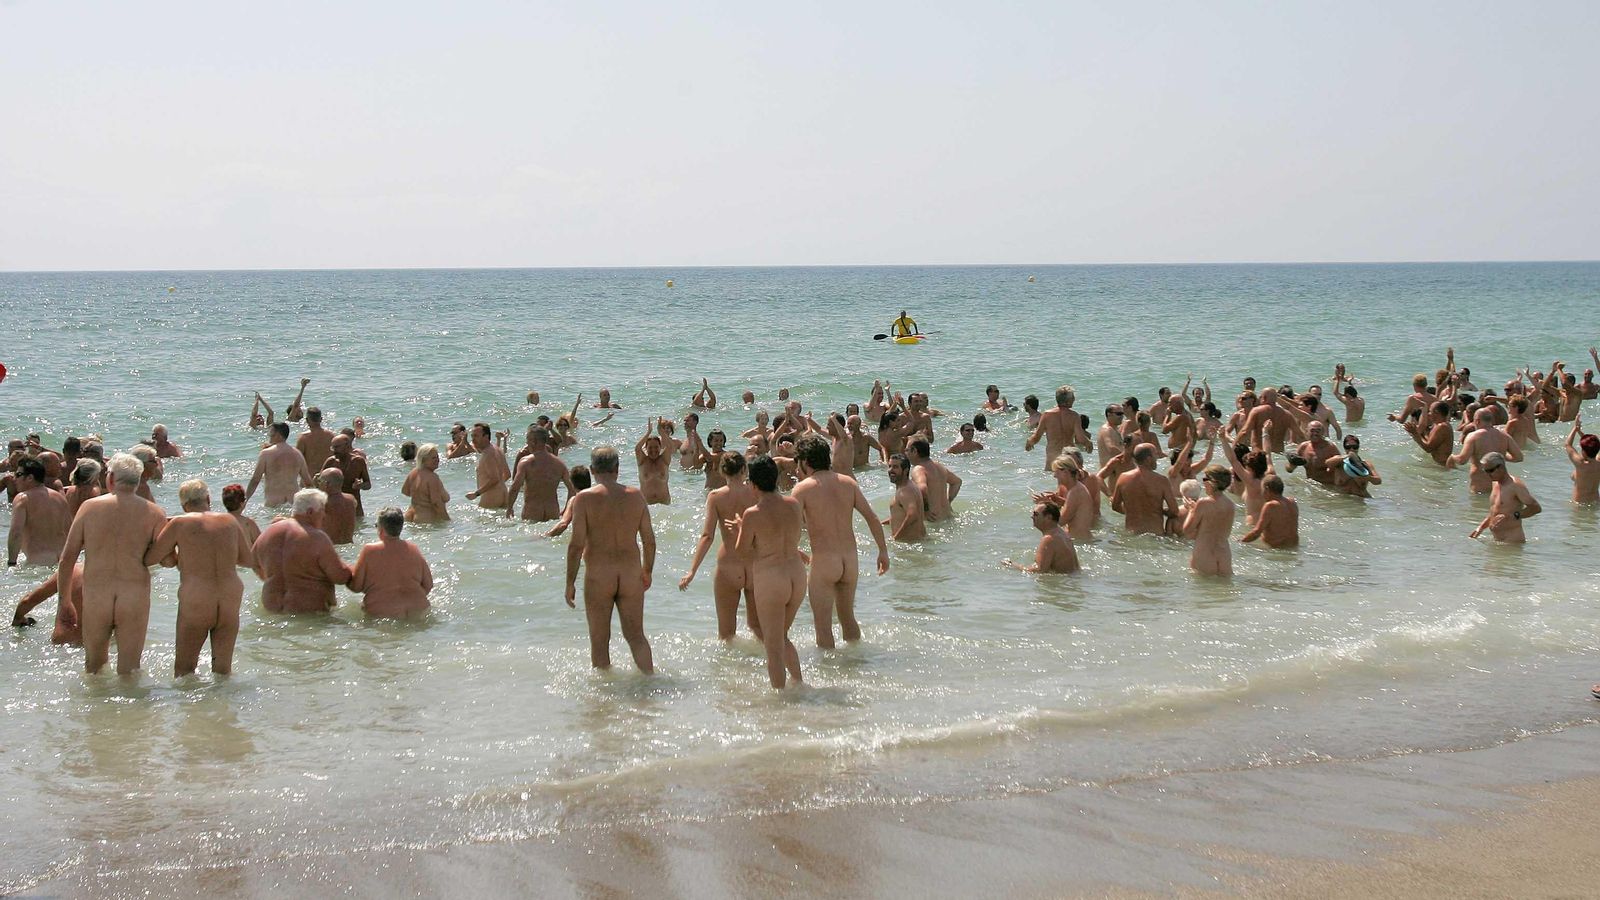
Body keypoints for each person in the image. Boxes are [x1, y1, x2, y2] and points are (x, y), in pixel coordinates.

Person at [57, 453, 167, 674]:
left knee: (94, 667)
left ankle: (95, 708)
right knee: (130, 669)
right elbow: (166, 558)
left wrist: (64, 600)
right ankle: (132, 708)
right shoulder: (155, 512)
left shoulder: (89, 508)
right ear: (139, 479)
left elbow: (67, 558)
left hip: (98, 594)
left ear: (110, 479)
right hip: (133, 594)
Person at [143, 479, 254, 676]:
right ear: (208, 499)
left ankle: (191, 707)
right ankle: (222, 706)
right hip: (230, 595)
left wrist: (177, 557)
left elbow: (151, 558)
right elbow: (247, 559)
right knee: (222, 671)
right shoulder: (230, 521)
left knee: (184, 670)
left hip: (198, 597)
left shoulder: (179, 523)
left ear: (184, 505)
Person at [791, 435, 891, 648]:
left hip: (824, 562)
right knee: (848, 619)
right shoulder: (848, 483)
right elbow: (872, 518)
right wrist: (883, 551)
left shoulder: (802, 488)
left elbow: (790, 526)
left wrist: (793, 550)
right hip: (849, 561)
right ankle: (856, 662)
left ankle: (831, 675)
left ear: (805, 461)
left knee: (823, 626)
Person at [564, 446, 655, 672]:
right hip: (630, 573)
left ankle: (605, 700)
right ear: (617, 468)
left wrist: (570, 583)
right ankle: (650, 684)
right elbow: (649, 541)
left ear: (593, 470)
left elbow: (576, 546)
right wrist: (647, 571)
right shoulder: (636, 496)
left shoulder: (583, 499)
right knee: (636, 637)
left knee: (599, 640)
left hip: (598, 575)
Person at [735, 455, 807, 688]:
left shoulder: (752, 514)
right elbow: (791, 537)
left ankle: (781, 704)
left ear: (753, 484)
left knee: (773, 647)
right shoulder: (794, 504)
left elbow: (742, 550)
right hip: (796, 575)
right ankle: (799, 684)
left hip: (772, 579)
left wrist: (740, 528)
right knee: (782, 637)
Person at [679, 453, 761, 641]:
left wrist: (692, 571)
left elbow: (707, 536)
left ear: (722, 471)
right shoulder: (756, 492)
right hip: (755, 564)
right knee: (758, 628)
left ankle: (729, 669)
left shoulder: (715, 497)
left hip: (728, 565)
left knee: (726, 635)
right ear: (744, 469)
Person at [252, 488, 352, 613]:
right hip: (308, 614)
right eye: (322, 510)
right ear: (310, 512)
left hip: (273, 610)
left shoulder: (267, 533)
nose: (324, 515)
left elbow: (254, 562)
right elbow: (340, 577)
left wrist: (273, 577)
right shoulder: (316, 538)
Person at [349, 508, 434, 619]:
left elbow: (356, 587)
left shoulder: (370, 550)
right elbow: (428, 585)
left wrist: (348, 571)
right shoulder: (414, 549)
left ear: (382, 529)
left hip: (383, 615)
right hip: (418, 610)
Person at [8, 457, 69, 567]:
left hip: (38, 564)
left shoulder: (23, 498)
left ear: (30, 478)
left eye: (18, 475)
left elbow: (16, 533)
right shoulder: (59, 498)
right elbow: (70, 531)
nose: (14, 479)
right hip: (62, 561)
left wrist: (11, 563)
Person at [1446, 407, 1523, 493]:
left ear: (1477, 421)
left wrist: (1452, 457)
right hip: (1499, 487)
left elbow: (1462, 460)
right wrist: (1502, 456)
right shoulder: (1504, 436)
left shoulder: (1473, 436)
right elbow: (1519, 457)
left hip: (1480, 486)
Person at [506, 427, 575, 521]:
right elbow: (572, 490)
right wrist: (566, 510)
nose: (527, 444)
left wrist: (509, 508)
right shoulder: (559, 463)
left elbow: (515, 488)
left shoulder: (525, 462)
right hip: (553, 513)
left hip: (532, 513)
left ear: (533, 442)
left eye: (527, 440)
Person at [1110, 444, 1181, 535]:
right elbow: (1175, 511)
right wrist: (1160, 510)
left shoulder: (1123, 478)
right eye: (1155, 455)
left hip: (1131, 535)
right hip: (1156, 536)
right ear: (1148, 459)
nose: (1157, 457)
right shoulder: (1161, 481)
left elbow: (1115, 506)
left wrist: (1132, 511)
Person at [1470, 452, 1541, 543]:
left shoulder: (1515, 485)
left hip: (1512, 542)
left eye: (1490, 471)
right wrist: (1481, 527)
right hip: (1498, 541)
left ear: (1501, 467)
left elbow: (1536, 508)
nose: (1488, 474)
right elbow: (1494, 511)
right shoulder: (1495, 483)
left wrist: (1514, 515)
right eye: (1485, 471)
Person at [10, 563, 85, 645]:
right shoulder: (100, 577)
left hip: (60, 645)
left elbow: (28, 601)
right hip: (91, 650)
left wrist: (18, 619)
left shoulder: (70, 570)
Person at [1182, 465, 1236, 576]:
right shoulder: (1231, 505)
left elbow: (1187, 530)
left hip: (1205, 555)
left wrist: (1192, 510)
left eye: (1205, 479)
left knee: (1202, 591)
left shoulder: (1203, 503)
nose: (1203, 483)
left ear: (1212, 482)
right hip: (1224, 556)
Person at [245, 422, 313, 507]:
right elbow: (308, 482)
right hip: (293, 504)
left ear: (278, 435)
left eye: (271, 433)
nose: (269, 435)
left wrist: (245, 499)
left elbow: (255, 480)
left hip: (273, 504)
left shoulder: (266, 454)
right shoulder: (297, 454)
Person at [1025, 386, 1090, 471]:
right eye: (1073, 397)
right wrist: (1089, 443)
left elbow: (1036, 437)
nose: (1074, 399)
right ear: (1067, 401)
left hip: (1053, 460)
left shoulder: (1047, 415)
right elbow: (1080, 438)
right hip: (1068, 459)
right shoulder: (1074, 416)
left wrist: (1030, 442)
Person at [1004, 503, 1080, 574]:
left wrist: (1012, 565)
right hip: (1073, 579)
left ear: (1048, 518)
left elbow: (1039, 570)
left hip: (1064, 583)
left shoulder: (1049, 539)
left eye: (1036, 514)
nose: (1032, 517)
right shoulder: (1062, 533)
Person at [907, 438, 962, 522]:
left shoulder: (919, 469)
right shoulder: (939, 466)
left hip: (933, 520)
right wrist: (948, 500)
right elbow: (957, 482)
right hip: (948, 517)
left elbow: (922, 489)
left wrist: (925, 511)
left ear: (914, 451)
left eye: (907, 450)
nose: (905, 453)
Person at [1239, 475, 1299, 548]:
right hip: (1293, 547)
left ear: (1267, 489)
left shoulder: (1271, 506)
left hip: (1276, 550)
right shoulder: (1292, 502)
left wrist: (1240, 542)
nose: (1262, 494)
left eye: (1262, 490)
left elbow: (1257, 532)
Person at [322, 434, 372, 515]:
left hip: (354, 507)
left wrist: (360, 485)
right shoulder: (330, 462)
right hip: (334, 507)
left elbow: (368, 484)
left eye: (337, 447)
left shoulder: (358, 461)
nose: (334, 450)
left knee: (358, 527)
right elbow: (319, 484)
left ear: (347, 445)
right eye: (333, 447)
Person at [401, 443, 451, 523]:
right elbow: (436, 503)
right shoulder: (432, 477)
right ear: (423, 460)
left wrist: (420, 496)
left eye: (437, 457)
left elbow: (405, 491)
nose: (437, 460)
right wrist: (448, 521)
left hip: (410, 516)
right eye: (433, 458)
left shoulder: (413, 472)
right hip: (426, 519)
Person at [465, 423, 511, 509]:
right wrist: (498, 487)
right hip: (504, 495)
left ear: (486, 436)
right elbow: (508, 474)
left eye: (476, 436)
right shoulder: (498, 449)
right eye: (472, 436)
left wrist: (476, 494)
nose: (473, 439)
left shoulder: (487, 454)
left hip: (491, 498)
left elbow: (494, 479)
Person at [883, 452, 927, 542]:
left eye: (895, 467)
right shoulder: (907, 486)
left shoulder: (905, 491)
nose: (891, 470)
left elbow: (912, 515)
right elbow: (902, 514)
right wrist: (882, 523)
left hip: (910, 545)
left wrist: (895, 538)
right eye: (890, 466)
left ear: (905, 471)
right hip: (915, 543)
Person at [544, 465, 591, 537]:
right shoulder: (600, 497)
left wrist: (544, 536)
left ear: (572, 483)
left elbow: (563, 524)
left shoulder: (575, 500)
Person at [633, 420, 671, 505]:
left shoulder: (664, 460)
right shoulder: (642, 461)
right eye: (650, 447)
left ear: (660, 447)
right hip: (646, 505)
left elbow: (670, 446)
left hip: (665, 505)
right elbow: (637, 448)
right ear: (646, 448)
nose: (653, 450)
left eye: (656, 447)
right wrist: (648, 433)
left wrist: (661, 432)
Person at [315, 469, 357, 544]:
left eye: (320, 481)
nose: (318, 484)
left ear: (326, 484)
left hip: (331, 547)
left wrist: (314, 488)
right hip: (349, 545)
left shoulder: (324, 503)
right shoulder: (351, 500)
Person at [1565, 418, 1600, 503]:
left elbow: (1567, 445)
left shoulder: (1581, 464)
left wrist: (1575, 428)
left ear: (1584, 451)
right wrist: (1582, 434)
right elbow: (1594, 445)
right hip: (1596, 501)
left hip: (1580, 502)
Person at [295, 407, 336, 478]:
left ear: (307, 420)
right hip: (326, 477)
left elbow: (297, 460)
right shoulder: (331, 436)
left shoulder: (303, 437)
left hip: (309, 478)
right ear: (321, 419)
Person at [220, 483, 262, 550]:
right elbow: (261, 545)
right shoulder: (248, 523)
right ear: (242, 503)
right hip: (247, 559)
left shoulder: (220, 523)